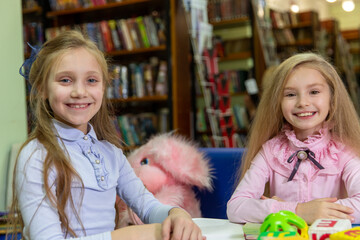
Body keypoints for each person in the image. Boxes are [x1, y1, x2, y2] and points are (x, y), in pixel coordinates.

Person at [8, 30, 204, 240]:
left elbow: (148, 207)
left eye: (91, 80)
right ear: (41, 89)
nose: (79, 92)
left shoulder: (111, 152)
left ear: (103, 87)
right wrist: (129, 236)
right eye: (65, 80)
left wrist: (176, 214)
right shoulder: (35, 156)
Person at [227, 53, 360, 224]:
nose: (302, 102)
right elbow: (236, 208)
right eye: (290, 94)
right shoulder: (270, 151)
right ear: (278, 103)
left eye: (314, 92)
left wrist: (303, 212)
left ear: (332, 100)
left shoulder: (343, 151)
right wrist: (298, 211)